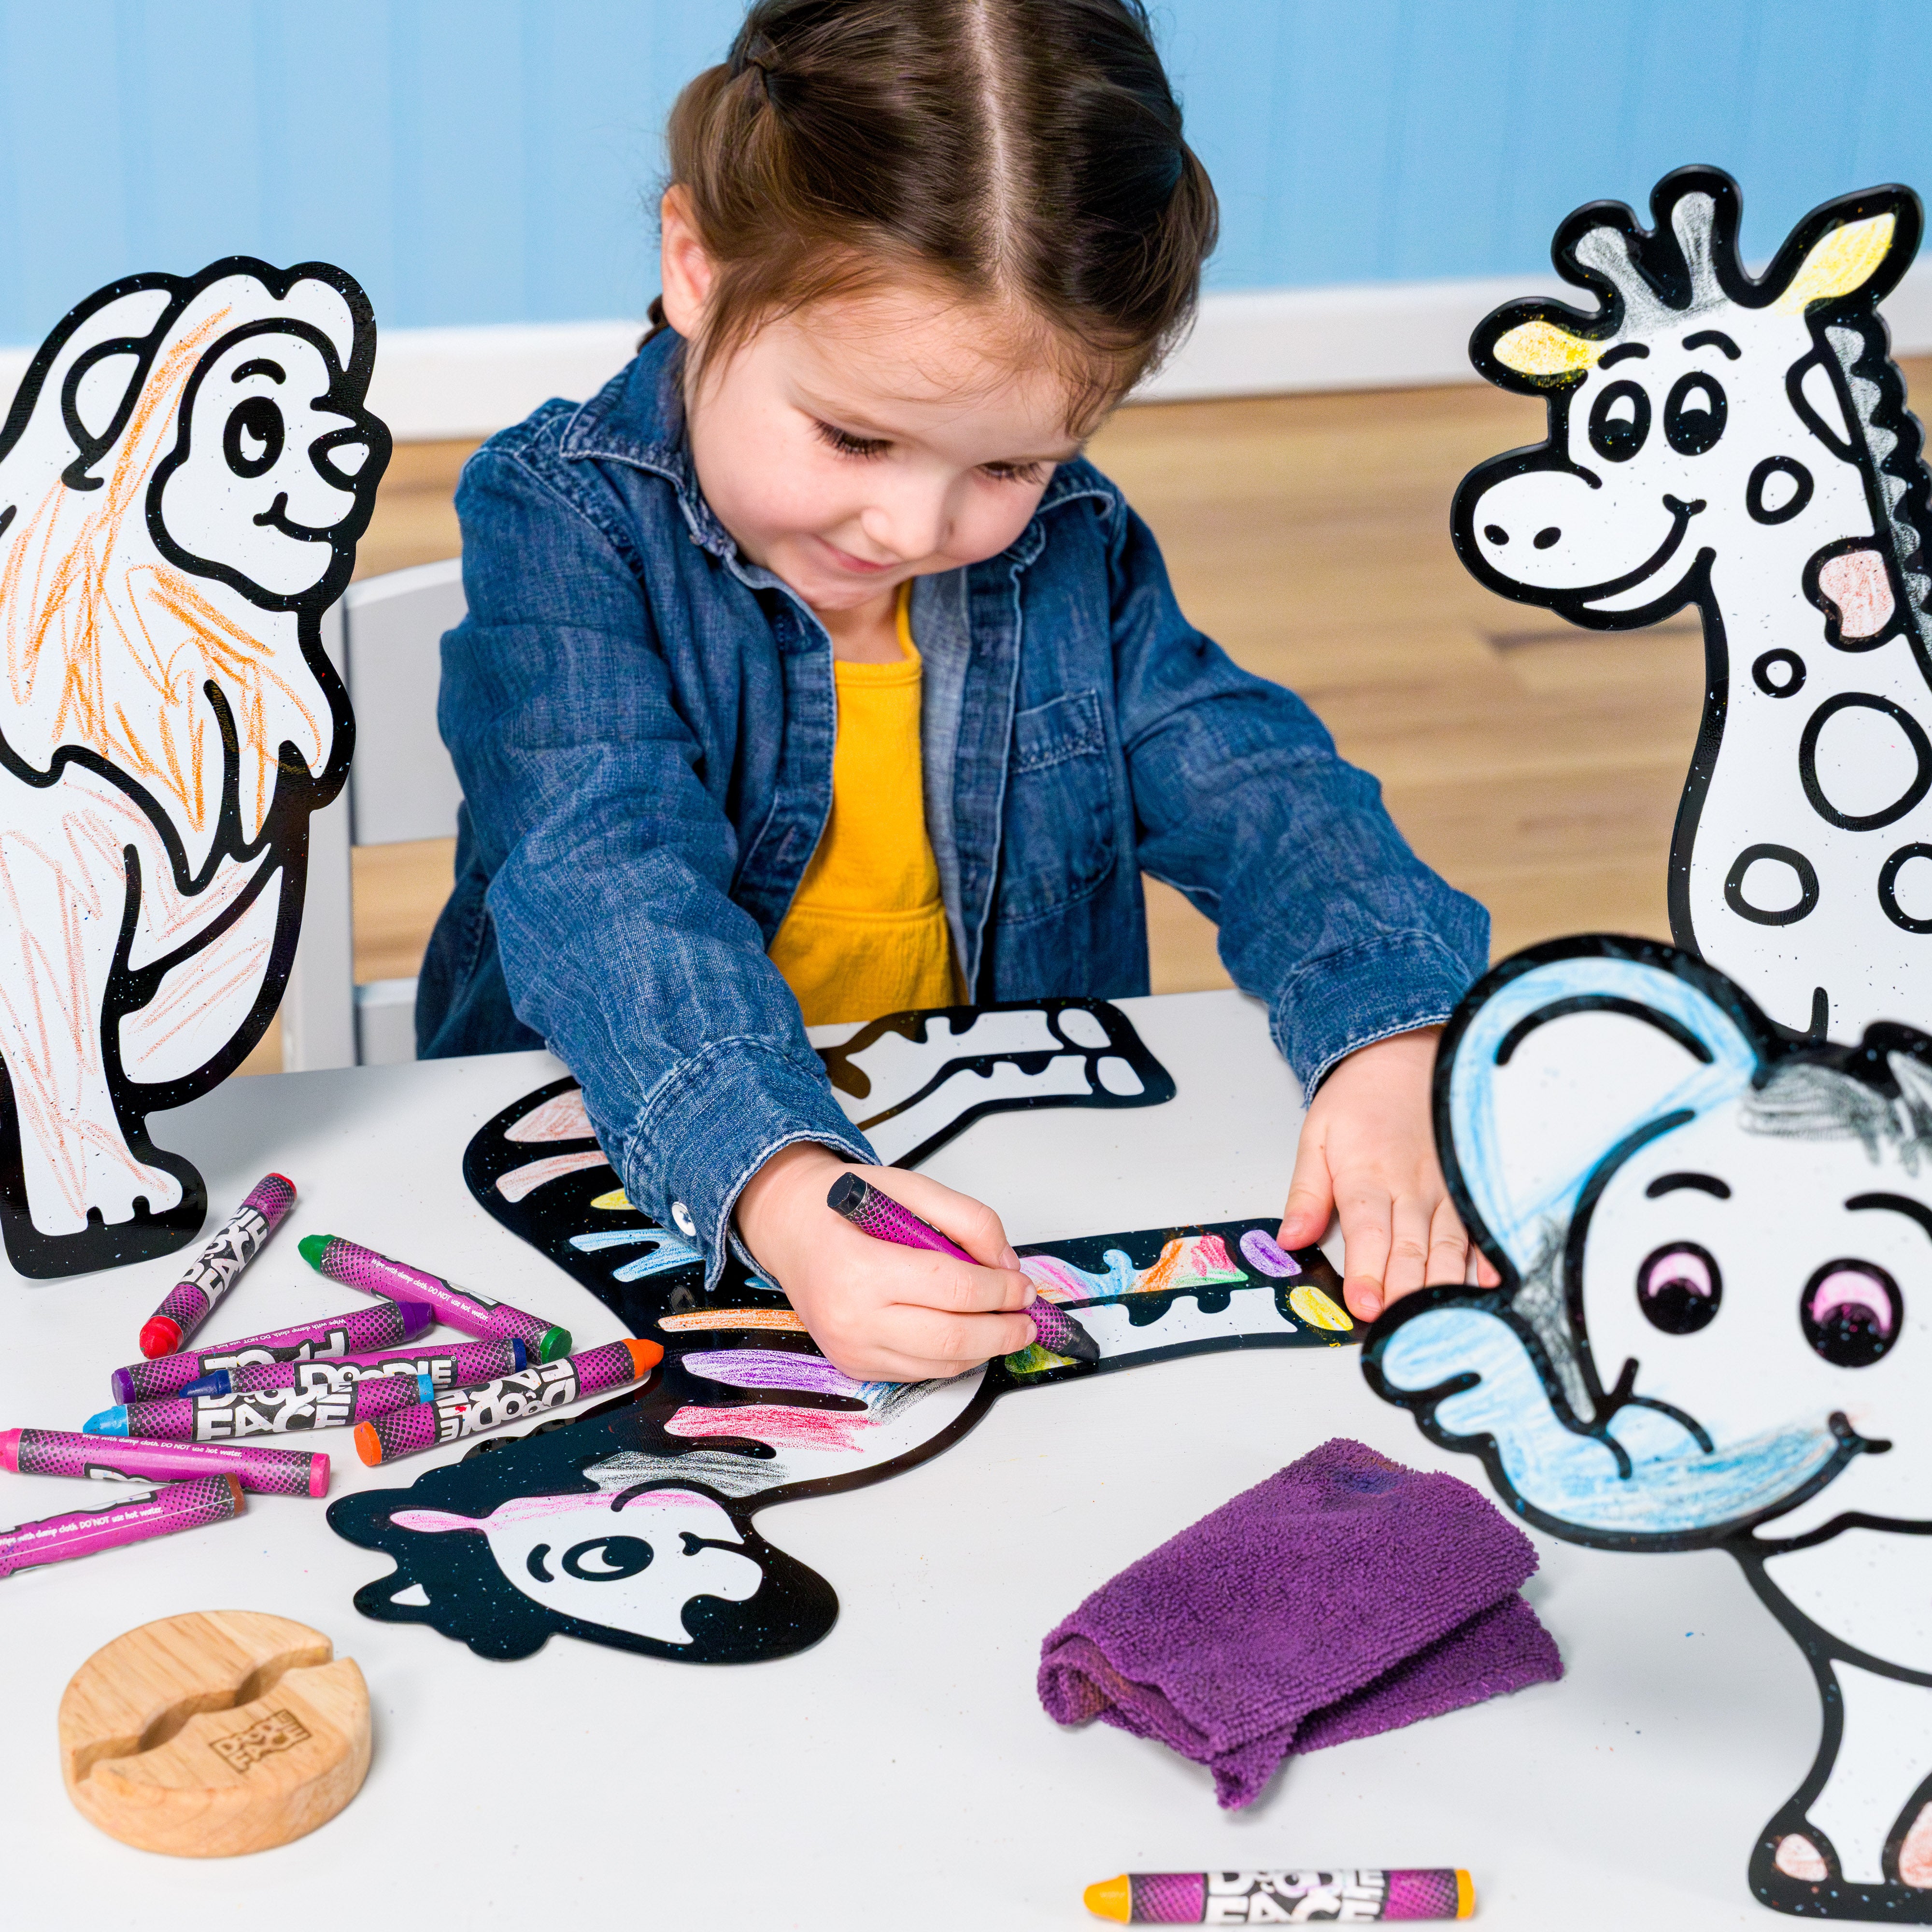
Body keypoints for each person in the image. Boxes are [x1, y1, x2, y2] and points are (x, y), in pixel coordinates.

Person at [418, 0, 1498, 1381]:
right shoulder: (564, 520)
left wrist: (1396, 1034)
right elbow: (602, 878)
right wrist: (784, 1184)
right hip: (638, 1175)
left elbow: (1258, 786)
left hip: (999, 1173)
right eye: (854, 437)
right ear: (696, 267)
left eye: (1007, 465)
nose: (914, 528)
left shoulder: (1071, 544)